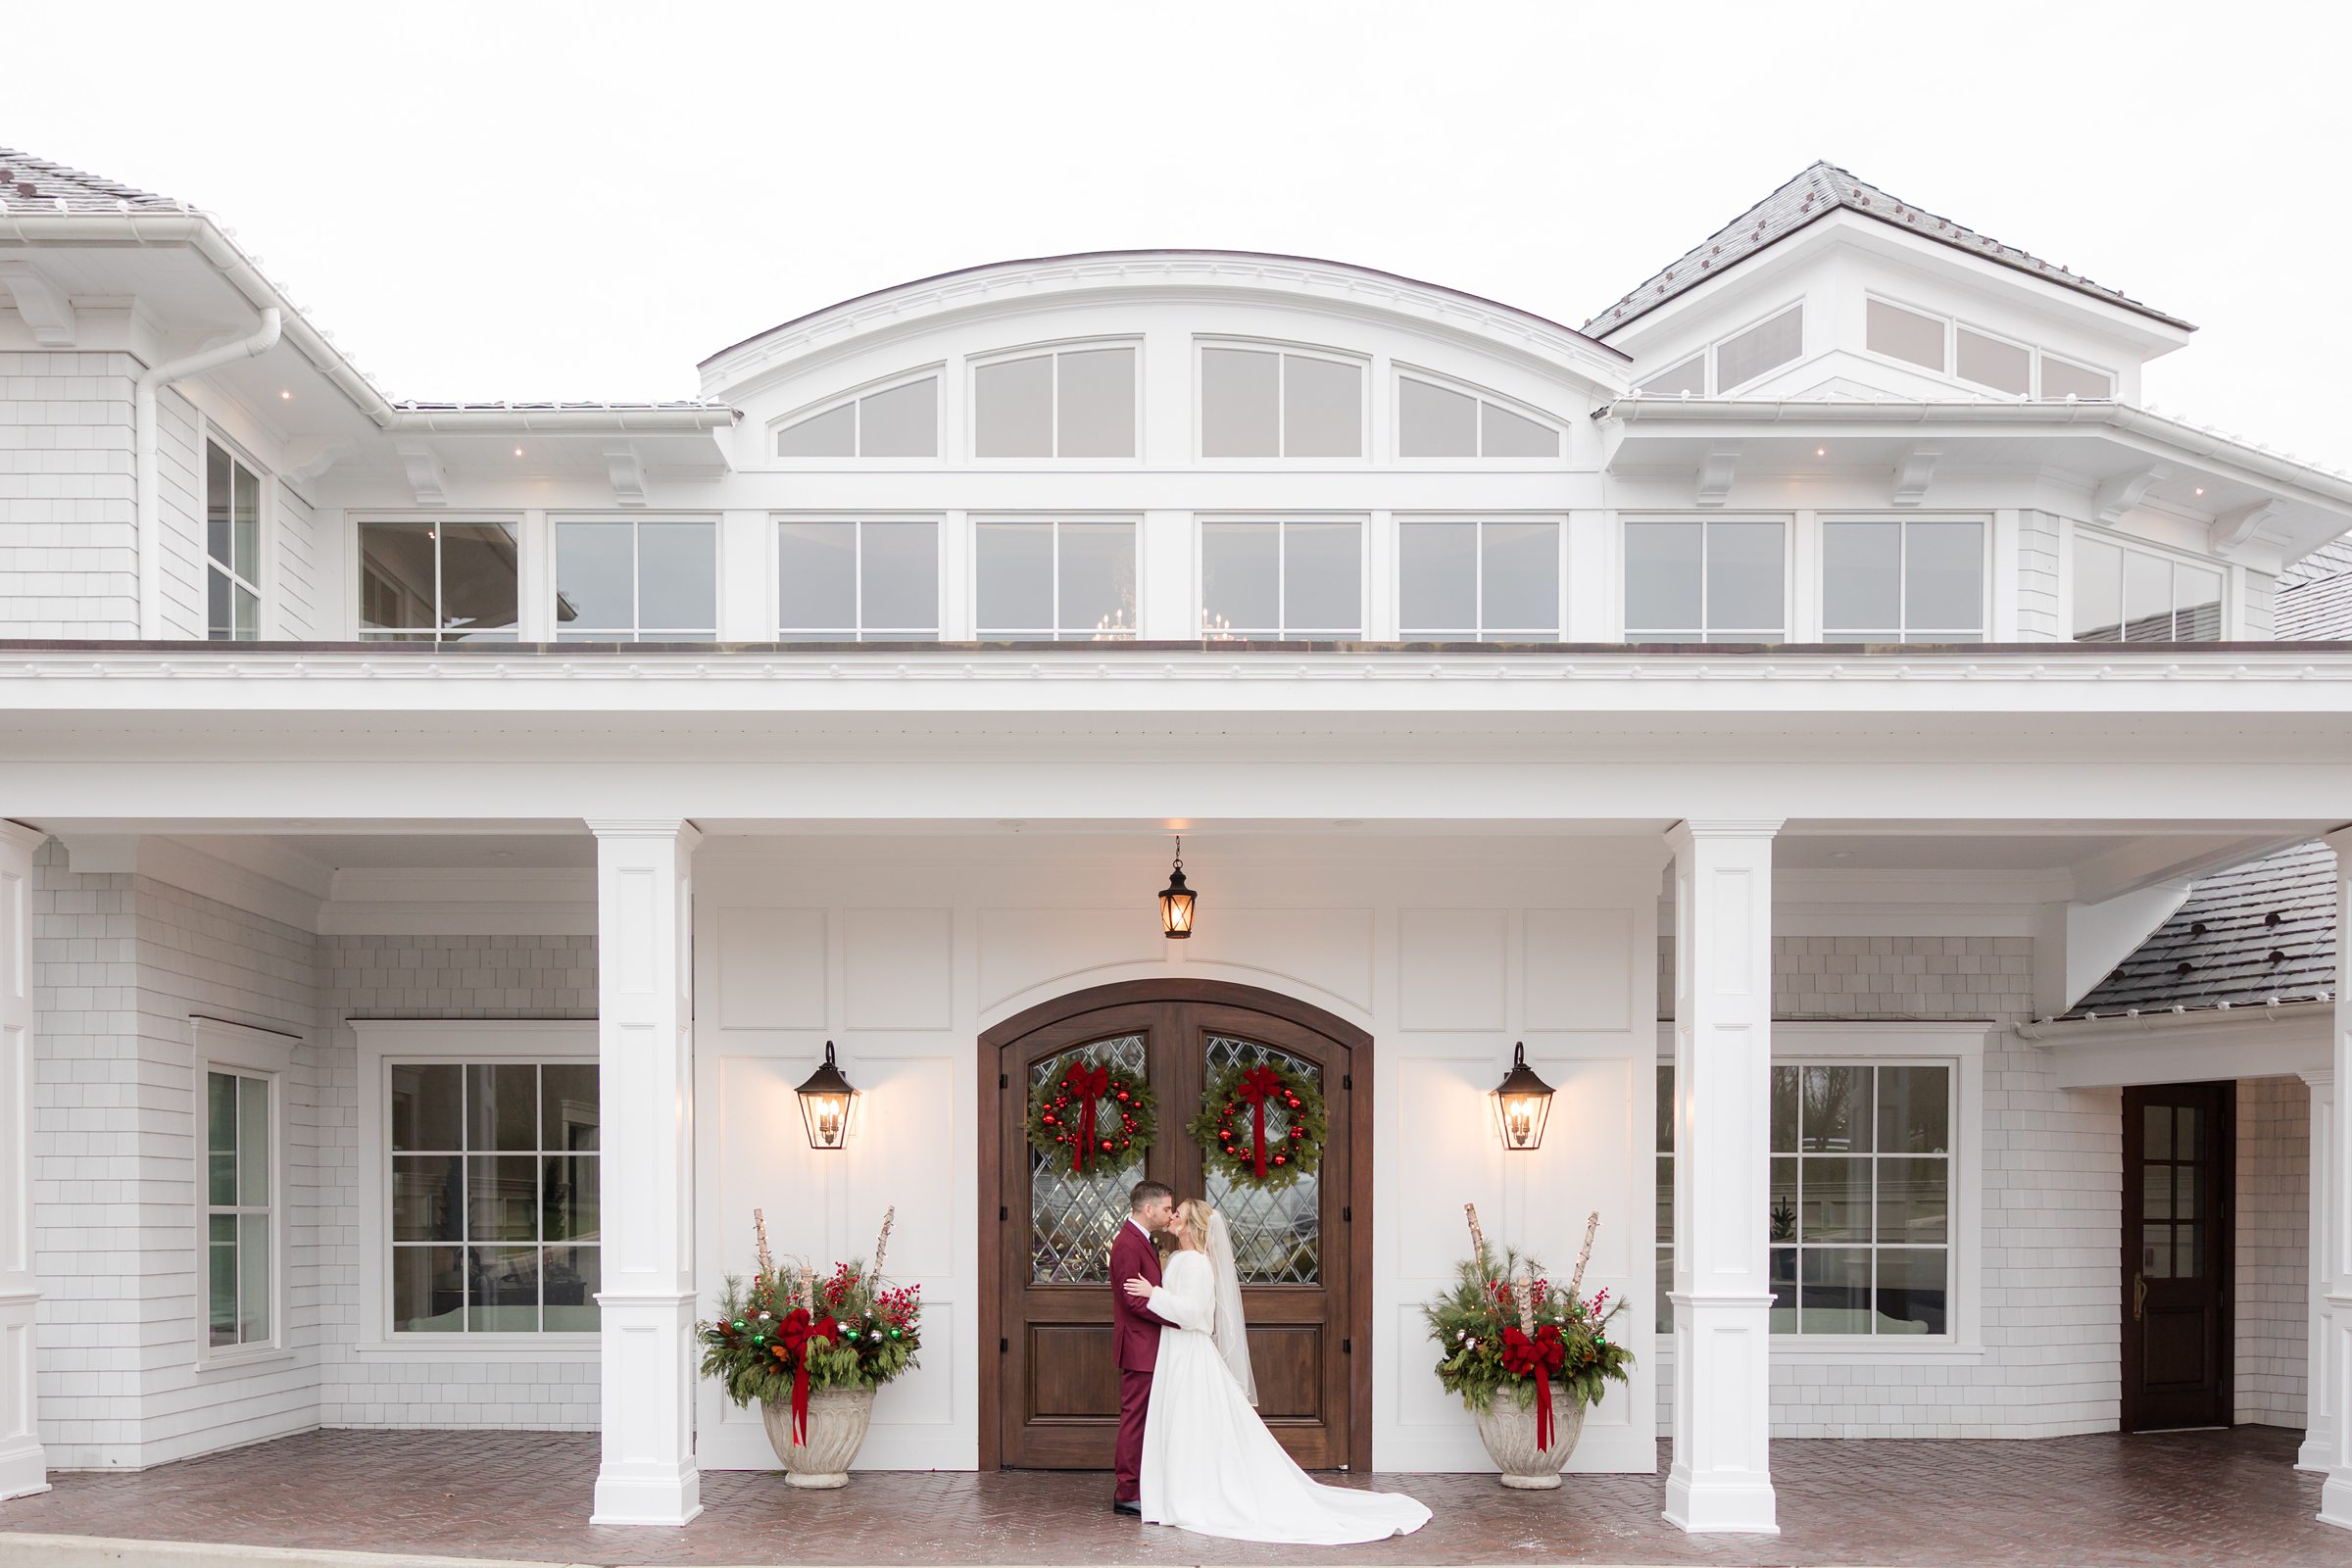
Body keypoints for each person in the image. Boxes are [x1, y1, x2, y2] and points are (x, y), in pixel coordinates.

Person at [1124, 1197, 1430, 1544]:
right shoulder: (1181, 1258)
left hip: (1188, 1351)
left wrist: (1154, 1294)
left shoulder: (1195, 1263)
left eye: (1177, 1213)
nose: (1171, 1216)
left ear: (1191, 1224)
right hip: (1174, 1350)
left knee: (1190, 1421)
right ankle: (1175, 1493)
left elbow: (1195, 1315)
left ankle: (1189, 1496)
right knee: (1181, 1422)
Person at [1106, 1179, 1175, 1515]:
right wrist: (1179, 1318)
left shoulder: (1141, 1240)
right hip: (1139, 1347)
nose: (1169, 1214)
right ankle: (1127, 1491)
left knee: (1147, 1418)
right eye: (1165, 1208)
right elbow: (1134, 1303)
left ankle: (1141, 1485)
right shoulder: (1127, 1244)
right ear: (1148, 1210)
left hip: (1150, 1345)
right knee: (1135, 1418)